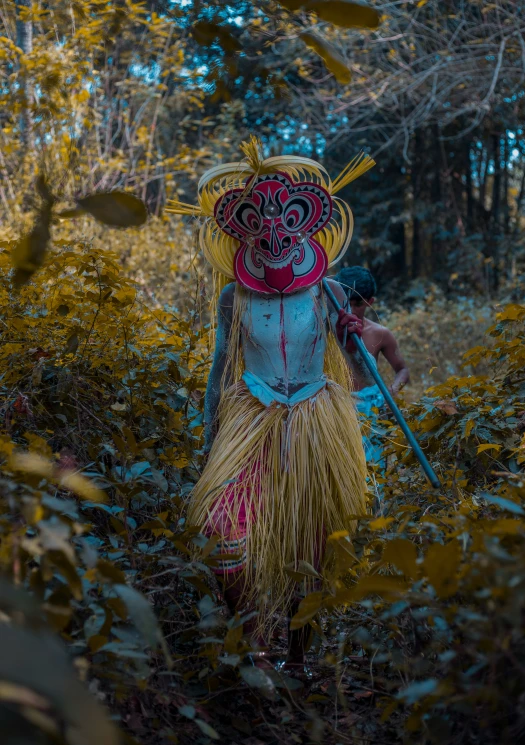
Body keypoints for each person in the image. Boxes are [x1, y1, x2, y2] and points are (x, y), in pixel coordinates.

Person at [166, 139, 377, 665]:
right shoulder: (232, 296)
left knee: (313, 543)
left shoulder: (327, 291)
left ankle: (300, 660)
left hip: (316, 417)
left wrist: (350, 339)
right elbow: (218, 372)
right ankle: (254, 643)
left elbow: (355, 369)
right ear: (242, 229)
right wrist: (211, 443)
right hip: (251, 415)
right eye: (260, 224)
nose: (275, 235)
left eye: (287, 222)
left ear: (308, 221)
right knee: (223, 534)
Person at [334, 266, 410, 500]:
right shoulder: (326, 330)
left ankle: (374, 526)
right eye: (345, 303)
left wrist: (393, 390)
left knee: (371, 475)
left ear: (370, 302)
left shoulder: (380, 334)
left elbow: (402, 369)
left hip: (370, 411)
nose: (350, 309)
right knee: (338, 473)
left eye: (357, 303)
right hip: (336, 408)